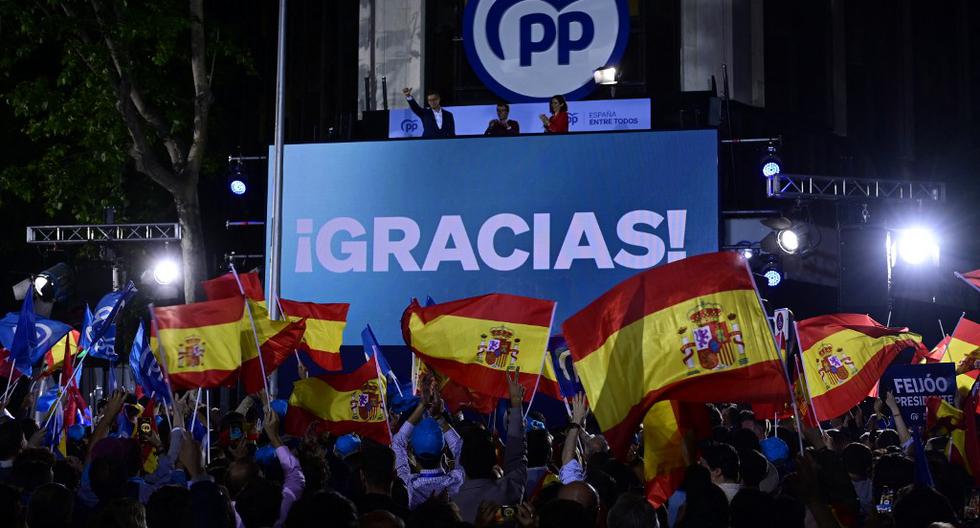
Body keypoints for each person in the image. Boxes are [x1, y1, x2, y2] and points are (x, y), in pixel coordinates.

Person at [453, 369, 527, 523]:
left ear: (462, 462)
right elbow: (516, 457)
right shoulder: (508, 492)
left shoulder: (452, 507)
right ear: (495, 460)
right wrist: (516, 404)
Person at [392, 382, 464, 509]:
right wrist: (438, 417)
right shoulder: (456, 481)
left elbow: (398, 442)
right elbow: (460, 447)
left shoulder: (408, 486)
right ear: (445, 451)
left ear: (412, 453)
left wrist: (422, 405)